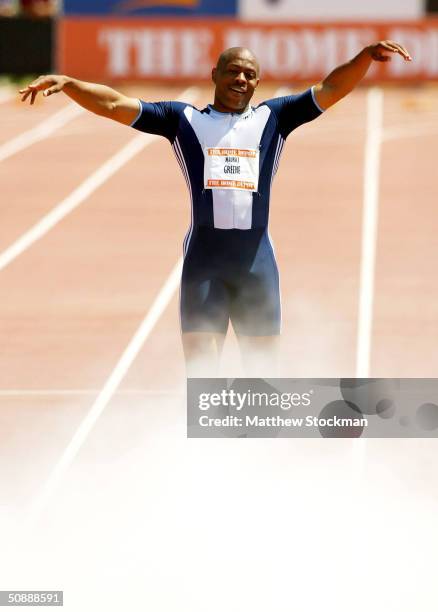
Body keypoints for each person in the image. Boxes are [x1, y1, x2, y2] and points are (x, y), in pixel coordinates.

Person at [20, 41, 411, 377]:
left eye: (249, 74)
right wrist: (70, 84)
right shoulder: (181, 120)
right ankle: (206, 462)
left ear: (257, 82)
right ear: (215, 74)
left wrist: (363, 57)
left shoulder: (274, 118)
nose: (241, 79)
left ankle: (259, 457)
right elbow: (113, 104)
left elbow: (330, 87)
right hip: (204, 269)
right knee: (203, 384)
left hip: (256, 267)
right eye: (233, 71)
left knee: (261, 383)